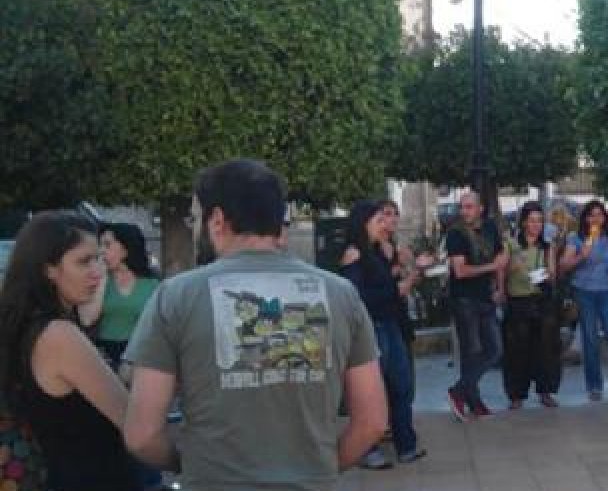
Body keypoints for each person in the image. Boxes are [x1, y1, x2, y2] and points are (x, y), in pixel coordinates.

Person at [123, 159, 388, 490]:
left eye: (196, 218)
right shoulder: (340, 294)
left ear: (217, 220)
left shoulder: (174, 297)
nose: (195, 227)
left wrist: (191, 464)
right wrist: (319, 471)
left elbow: (141, 434)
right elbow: (373, 421)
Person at [0, 211, 140, 491]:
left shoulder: (26, 325)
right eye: (84, 261)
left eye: (99, 258)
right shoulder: (59, 335)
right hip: (90, 477)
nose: (98, 271)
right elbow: (133, 422)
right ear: (48, 269)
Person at [340, 200, 425, 469]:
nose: (383, 226)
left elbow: (387, 282)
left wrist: (407, 273)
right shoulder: (353, 255)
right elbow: (357, 298)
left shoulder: (379, 253)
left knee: (401, 385)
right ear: (363, 224)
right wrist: (399, 288)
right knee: (370, 391)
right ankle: (368, 449)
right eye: (378, 220)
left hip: (390, 324)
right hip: (371, 328)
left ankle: (406, 445)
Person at [559, 200, 608, 401]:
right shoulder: (576, 238)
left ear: (605, 217)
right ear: (585, 218)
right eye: (592, 215)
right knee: (590, 339)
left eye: (599, 215)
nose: (596, 219)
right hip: (585, 292)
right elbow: (564, 265)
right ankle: (594, 386)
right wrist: (581, 256)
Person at [443, 191, 508, 421]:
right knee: (471, 351)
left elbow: (501, 259)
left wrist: (500, 287)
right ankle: (471, 398)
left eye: (470, 207)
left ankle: (461, 391)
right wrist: (491, 267)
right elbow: (460, 271)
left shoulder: (490, 228)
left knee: (494, 349)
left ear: (481, 208)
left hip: (486, 297)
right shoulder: (456, 235)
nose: (465, 211)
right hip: (465, 299)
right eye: (462, 207)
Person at [500, 201, 562, 409]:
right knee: (517, 350)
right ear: (524, 222)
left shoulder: (547, 245)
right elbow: (501, 270)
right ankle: (517, 395)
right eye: (532, 220)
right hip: (518, 300)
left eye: (539, 221)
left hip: (541, 299)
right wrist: (507, 278)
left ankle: (546, 391)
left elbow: (553, 274)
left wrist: (545, 275)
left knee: (546, 349)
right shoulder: (511, 244)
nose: (536, 225)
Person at [79, 223, 159, 370]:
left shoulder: (152, 284)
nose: (101, 251)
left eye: (107, 245)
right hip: (103, 353)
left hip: (138, 355)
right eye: (100, 245)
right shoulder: (96, 280)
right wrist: (102, 278)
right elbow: (87, 318)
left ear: (125, 249)